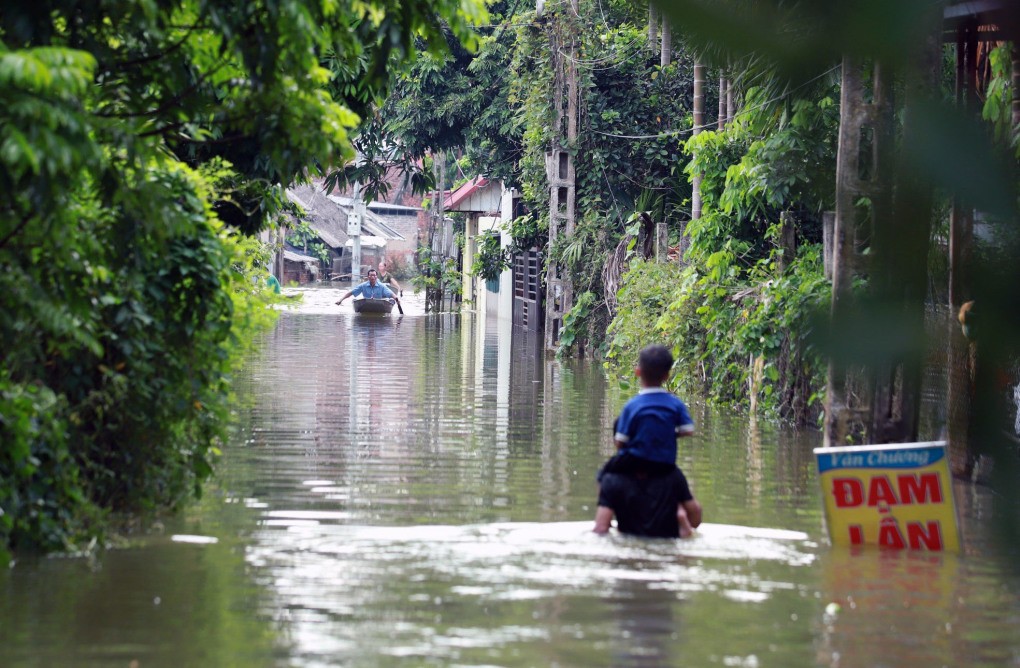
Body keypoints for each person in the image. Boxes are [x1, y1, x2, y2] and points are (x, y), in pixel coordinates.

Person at [594, 344, 699, 537]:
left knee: (602, 475)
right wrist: (665, 434)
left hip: (633, 459)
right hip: (664, 464)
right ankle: (679, 518)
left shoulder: (632, 405)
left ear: (637, 372)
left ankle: (607, 503)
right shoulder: (675, 404)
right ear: (667, 376)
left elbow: (620, 441)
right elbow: (688, 430)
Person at [336, 269, 402, 309]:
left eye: (374, 275)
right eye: (371, 275)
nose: (373, 277)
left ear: (376, 277)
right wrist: (340, 300)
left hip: (379, 304)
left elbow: (391, 293)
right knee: (355, 300)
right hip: (366, 304)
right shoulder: (363, 285)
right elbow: (351, 293)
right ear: (368, 277)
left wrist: (397, 299)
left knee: (391, 300)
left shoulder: (382, 286)